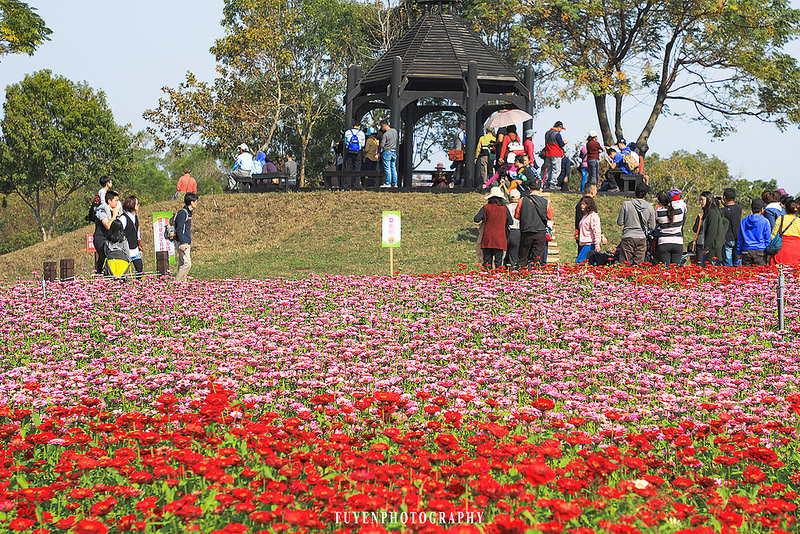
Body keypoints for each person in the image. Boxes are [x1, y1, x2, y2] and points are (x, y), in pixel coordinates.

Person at [514, 182, 552, 269]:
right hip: (540, 232)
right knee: (537, 258)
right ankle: (535, 276)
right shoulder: (546, 202)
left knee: (523, 257)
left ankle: (521, 274)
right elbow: (550, 216)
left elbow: (516, 215)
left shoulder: (522, 200)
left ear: (529, 189)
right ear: (540, 190)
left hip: (526, 231)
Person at [617, 182, 656, 265]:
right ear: (646, 194)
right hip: (641, 238)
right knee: (638, 266)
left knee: (624, 264)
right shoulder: (650, 207)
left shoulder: (626, 205)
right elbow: (652, 226)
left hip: (628, 237)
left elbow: (620, 222)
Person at [474, 187, 512, 270]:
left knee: (487, 262)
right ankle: (497, 278)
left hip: (488, 238)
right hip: (500, 239)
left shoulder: (486, 207)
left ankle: (487, 278)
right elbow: (510, 222)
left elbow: (476, 219)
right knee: (498, 262)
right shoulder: (504, 208)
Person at [654, 190, 686, 266]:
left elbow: (654, 225)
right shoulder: (680, 211)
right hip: (678, 242)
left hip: (664, 242)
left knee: (666, 269)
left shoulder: (658, 213)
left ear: (659, 202)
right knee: (675, 270)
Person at [737, 198, 771, 267]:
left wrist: (739, 252)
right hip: (760, 252)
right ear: (762, 209)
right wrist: (768, 254)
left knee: (746, 275)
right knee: (760, 275)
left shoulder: (744, 221)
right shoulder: (765, 221)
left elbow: (740, 239)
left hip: (746, 251)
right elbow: (768, 239)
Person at [93, 189, 120, 274]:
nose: (117, 203)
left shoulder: (113, 211)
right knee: (104, 258)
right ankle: (100, 275)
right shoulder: (102, 211)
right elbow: (108, 225)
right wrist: (114, 216)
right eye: (115, 201)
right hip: (101, 240)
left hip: (110, 239)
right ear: (109, 201)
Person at [699, 191, 728, 266]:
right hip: (711, 246)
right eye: (700, 200)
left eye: (702, 200)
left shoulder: (712, 212)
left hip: (713, 248)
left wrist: (707, 247)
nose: (701, 202)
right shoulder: (709, 211)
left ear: (709, 199)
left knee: (709, 269)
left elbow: (712, 231)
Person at [174, 193, 198, 282]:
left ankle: (182, 285)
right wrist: (183, 242)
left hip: (185, 241)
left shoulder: (188, 213)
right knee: (187, 264)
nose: (197, 203)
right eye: (196, 201)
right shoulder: (183, 213)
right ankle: (176, 283)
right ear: (191, 202)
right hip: (182, 242)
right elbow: (179, 229)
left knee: (182, 263)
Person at [770, 198, 800, 266]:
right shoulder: (798, 221)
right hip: (797, 249)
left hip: (783, 248)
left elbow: (773, 235)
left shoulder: (781, 218)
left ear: (785, 209)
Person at [576, 195, 606, 263]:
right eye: (581, 204)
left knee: (579, 262)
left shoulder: (593, 216)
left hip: (590, 244)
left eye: (584, 204)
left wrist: (597, 245)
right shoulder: (585, 216)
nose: (581, 206)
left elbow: (596, 231)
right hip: (584, 244)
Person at [120, 195, 143, 276]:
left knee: (139, 269)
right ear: (131, 204)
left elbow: (138, 232)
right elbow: (119, 233)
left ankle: (139, 286)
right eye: (137, 204)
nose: (138, 205)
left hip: (135, 249)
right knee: (124, 273)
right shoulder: (123, 218)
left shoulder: (135, 217)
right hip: (126, 249)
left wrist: (139, 247)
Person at [720, 188, 742, 266]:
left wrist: (723, 206)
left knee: (727, 263)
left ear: (724, 198)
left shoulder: (722, 210)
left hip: (727, 238)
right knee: (737, 261)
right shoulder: (738, 208)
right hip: (737, 237)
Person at [543, 121, 566, 190]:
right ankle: (553, 183)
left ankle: (546, 183)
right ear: (559, 127)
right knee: (556, 169)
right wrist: (564, 142)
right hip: (556, 154)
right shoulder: (557, 135)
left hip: (548, 153)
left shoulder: (547, 133)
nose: (561, 130)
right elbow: (561, 144)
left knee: (549, 169)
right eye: (561, 129)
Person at [342, 124, 365, 190]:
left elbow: (346, 142)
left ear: (352, 126)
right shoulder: (361, 133)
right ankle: (356, 184)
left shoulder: (348, 132)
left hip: (349, 152)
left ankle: (346, 184)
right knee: (357, 168)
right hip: (358, 152)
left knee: (347, 168)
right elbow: (363, 144)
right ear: (359, 126)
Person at [504, 189, 522, 269]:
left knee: (506, 254)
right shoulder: (522, 207)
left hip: (508, 231)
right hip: (518, 231)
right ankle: (513, 271)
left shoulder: (506, 207)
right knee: (514, 255)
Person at [380, 120, 399, 188]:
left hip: (387, 152)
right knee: (393, 168)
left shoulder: (386, 134)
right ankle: (395, 183)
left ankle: (388, 183)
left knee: (387, 168)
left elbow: (382, 145)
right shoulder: (395, 131)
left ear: (383, 126)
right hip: (393, 151)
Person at [451, 121, 467, 186]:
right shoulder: (461, 133)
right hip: (460, 153)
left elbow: (453, 144)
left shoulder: (456, 133)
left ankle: (455, 181)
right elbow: (464, 141)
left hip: (456, 152)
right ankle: (457, 182)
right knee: (459, 168)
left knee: (458, 168)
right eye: (465, 125)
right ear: (462, 125)